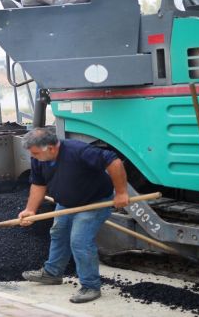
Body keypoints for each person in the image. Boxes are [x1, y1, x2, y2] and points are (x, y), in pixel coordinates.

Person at [18, 127, 128, 303]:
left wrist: (121, 193)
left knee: (79, 241)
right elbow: (38, 184)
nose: (34, 157)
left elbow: (113, 161)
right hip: (67, 202)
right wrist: (30, 209)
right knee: (58, 233)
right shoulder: (39, 159)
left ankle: (90, 286)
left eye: (36, 153)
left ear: (51, 148)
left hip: (94, 202)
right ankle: (52, 273)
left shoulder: (79, 151)